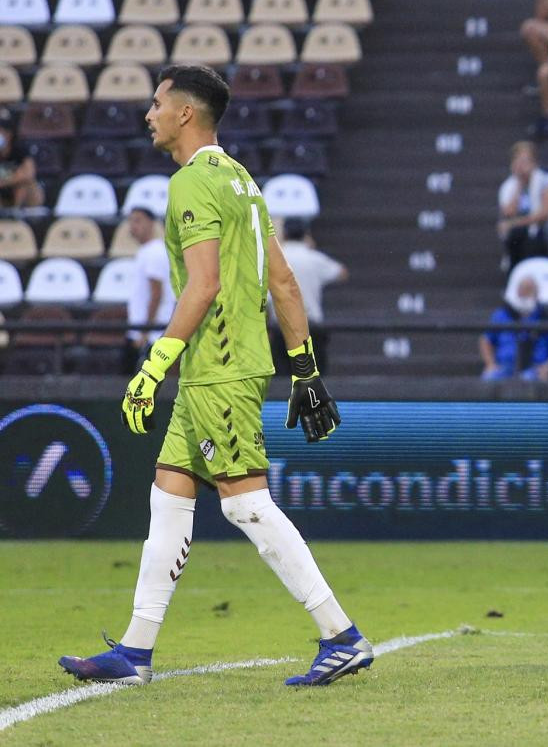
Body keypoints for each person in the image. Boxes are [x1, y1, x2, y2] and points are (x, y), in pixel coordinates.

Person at [58, 65, 369, 688]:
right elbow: (280, 280)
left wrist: (152, 365)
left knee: (248, 506)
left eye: (155, 103)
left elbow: (205, 284)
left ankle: (342, 635)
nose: (147, 114)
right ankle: (136, 651)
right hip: (218, 371)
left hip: (219, 369)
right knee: (169, 496)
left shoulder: (190, 185)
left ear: (184, 114)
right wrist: (303, 366)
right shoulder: (243, 182)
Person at [272, 217, 348, 375]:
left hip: (281, 327)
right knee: (314, 381)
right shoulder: (314, 258)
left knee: (281, 383)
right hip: (311, 327)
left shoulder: (275, 257)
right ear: (305, 235)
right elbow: (342, 272)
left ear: (284, 234)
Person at [479, 275, 548, 381]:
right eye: (521, 289)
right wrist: (490, 364)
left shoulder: (545, 317)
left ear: (536, 293)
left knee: (529, 381)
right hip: (504, 366)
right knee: (489, 378)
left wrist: (547, 368)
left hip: (534, 369)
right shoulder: (502, 315)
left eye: (529, 289)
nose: (524, 293)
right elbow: (485, 340)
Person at [497, 141, 548, 267]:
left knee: (529, 240)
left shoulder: (545, 183)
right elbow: (509, 212)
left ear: (535, 163)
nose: (522, 166)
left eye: (526, 161)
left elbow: (544, 215)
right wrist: (519, 184)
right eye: (518, 161)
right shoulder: (508, 187)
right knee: (515, 236)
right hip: (522, 236)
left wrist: (515, 223)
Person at [124, 206, 177, 375]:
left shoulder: (155, 252)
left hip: (151, 335)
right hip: (142, 330)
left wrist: (145, 332)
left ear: (152, 223)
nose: (133, 225)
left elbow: (157, 293)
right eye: (131, 221)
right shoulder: (145, 251)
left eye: (138, 220)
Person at [0, 110, 45, 209]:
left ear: (9, 134)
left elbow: (28, 174)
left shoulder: (20, 149)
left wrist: (6, 181)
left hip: (19, 192)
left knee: (26, 184)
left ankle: (16, 213)